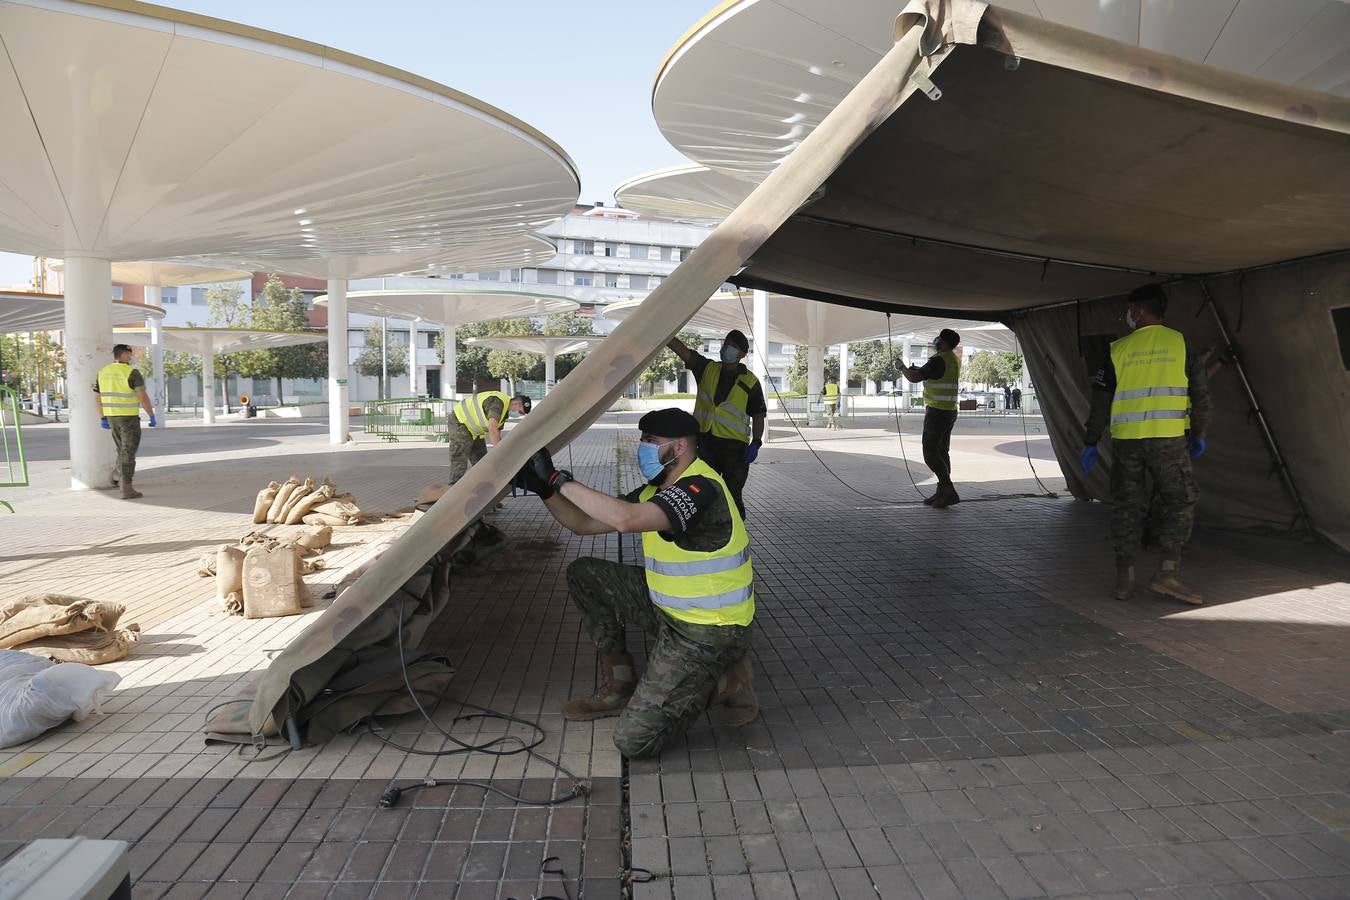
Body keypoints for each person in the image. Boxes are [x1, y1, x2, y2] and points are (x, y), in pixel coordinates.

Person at [518, 408, 757, 758]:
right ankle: (621, 682)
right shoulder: (655, 490)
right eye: (642, 439)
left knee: (634, 741)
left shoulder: (699, 486)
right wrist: (545, 491)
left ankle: (725, 681)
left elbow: (624, 520)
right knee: (585, 573)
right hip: (667, 609)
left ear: (679, 447)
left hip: (709, 630)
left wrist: (558, 479)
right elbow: (582, 524)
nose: (642, 447)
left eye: (650, 441)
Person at [1080, 284, 1212, 605]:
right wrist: (1198, 433)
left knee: (1127, 506)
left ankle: (1125, 578)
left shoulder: (1116, 350)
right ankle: (1167, 572)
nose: (1127, 315)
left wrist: (1091, 442)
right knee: (1179, 500)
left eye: (1129, 310)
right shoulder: (1181, 345)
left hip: (1128, 443)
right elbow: (1201, 395)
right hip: (1169, 440)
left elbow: (1100, 403)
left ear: (1138, 311)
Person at [667, 330, 766, 517]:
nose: (727, 349)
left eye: (733, 346)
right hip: (705, 443)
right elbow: (685, 352)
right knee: (701, 491)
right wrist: (667, 336)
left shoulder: (750, 381)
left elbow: (758, 415)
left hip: (734, 449)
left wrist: (757, 442)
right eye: (726, 344)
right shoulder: (707, 369)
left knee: (732, 494)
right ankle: (705, 533)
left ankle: (737, 536)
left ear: (742, 354)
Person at [902, 328, 962, 508]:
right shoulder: (952, 359)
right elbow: (934, 374)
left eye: (939, 339)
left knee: (930, 453)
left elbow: (914, 378)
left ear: (943, 343)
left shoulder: (937, 359)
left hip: (937, 412)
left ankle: (948, 489)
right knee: (942, 452)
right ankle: (942, 492)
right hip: (949, 411)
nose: (935, 340)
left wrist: (902, 368)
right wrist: (921, 370)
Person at [94, 344, 156, 499]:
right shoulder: (131, 372)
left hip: (112, 418)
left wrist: (102, 417)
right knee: (128, 452)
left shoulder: (103, 372)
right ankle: (126, 487)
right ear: (123, 354)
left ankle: (117, 475)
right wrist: (151, 415)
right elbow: (142, 396)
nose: (131, 357)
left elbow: (98, 397)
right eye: (129, 354)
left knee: (122, 449)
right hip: (128, 418)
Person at [447, 390, 529, 484]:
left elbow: (497, 433)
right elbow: (492, 428)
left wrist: (501, 451)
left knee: (481, 460)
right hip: (459, 421)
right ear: (516, 403)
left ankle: (480, 487)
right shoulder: (499, 402)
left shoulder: (504, 413)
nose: (519, 415)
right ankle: (453, 490)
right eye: (521, 412)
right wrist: (500, 454)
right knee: (459, 458)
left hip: (474, 430)